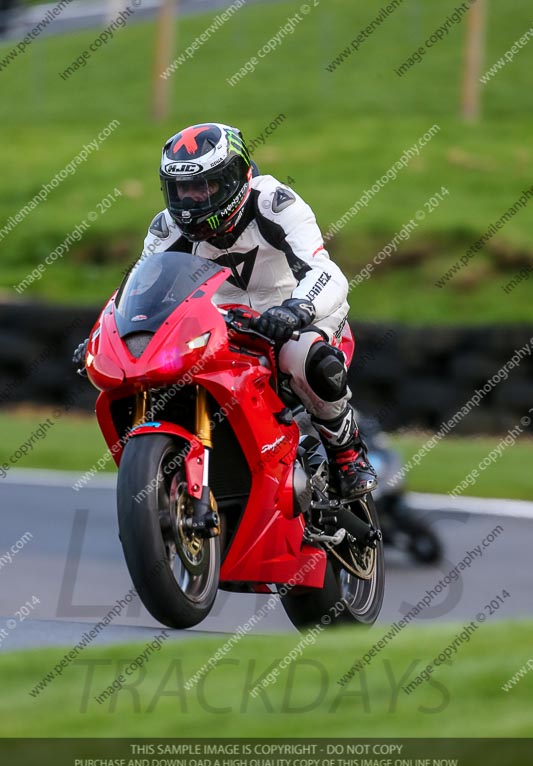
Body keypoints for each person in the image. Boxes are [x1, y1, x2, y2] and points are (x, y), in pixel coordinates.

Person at [75, 123, 377, 498]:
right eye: (181, 189)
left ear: (235, 177)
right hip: (222, 323)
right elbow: (138, 289)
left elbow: (324, 271)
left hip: (297, 311)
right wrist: (106, 336)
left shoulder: (274, 203)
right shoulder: (167, 228)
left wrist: (298, 309)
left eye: (204, 186)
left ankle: (347, 452)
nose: (191, 200)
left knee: (304, 356)